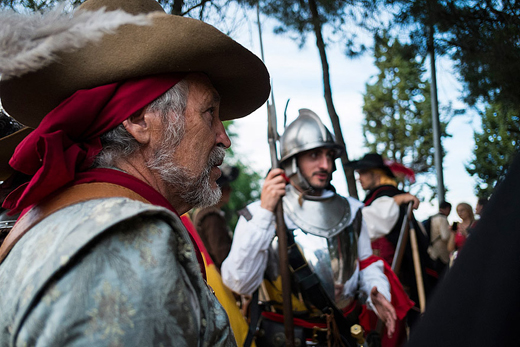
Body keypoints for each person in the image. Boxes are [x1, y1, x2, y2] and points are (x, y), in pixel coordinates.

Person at [0, 0, 270, 345]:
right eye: (209, 113)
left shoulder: (71, 217)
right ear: (140, 119)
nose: (224, 138)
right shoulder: (128, 237)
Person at [222, 109, 413, 347]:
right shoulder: (261, 213)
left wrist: (376, 289)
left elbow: (365, 263)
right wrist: (265, 213)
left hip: (343, 334)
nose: (326, 164)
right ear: (292, 160)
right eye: (314, 155)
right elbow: (239, 283)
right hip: (285, 337)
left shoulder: (352, 210)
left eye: (329, 155)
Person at [406, 154, 520, 347]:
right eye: (457, 211)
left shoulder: (477, 224)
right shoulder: (455, 226)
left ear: (467, 210)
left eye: (461, 210)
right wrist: (453, 233)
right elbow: (451, 247)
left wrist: (467, 233)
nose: (459, 213)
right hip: (455, 260)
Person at [347, 153, 434, 328]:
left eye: (363, 172)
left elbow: (365, 224)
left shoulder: (386, 198)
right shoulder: (385, 198)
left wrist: (394, 201)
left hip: (392, 281)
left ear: (376, 173)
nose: (359, 178)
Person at [193, 163, 239, 271]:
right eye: (226, 187)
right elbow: (223, 257)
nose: (230, 190)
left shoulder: (207, 213)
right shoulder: (211, 217)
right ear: (217, 189)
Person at [426, 201, 452, 276]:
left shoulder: (432, 218)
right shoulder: (442, 218)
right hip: (441, 254)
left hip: (432, 251)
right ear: (447, 209)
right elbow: (445, 236)